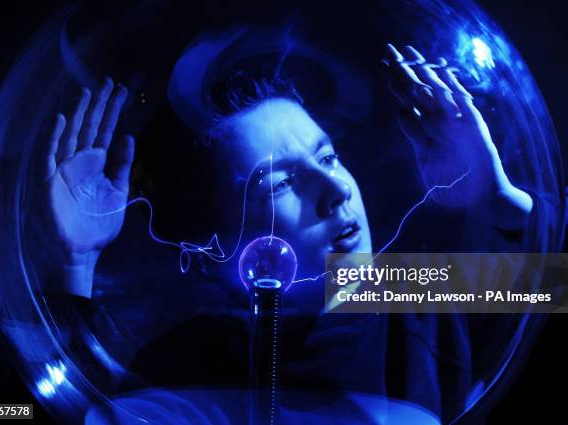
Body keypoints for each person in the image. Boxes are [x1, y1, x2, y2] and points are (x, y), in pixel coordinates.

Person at [37, 43, 536, 423]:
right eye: (281, 183)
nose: (336, 190)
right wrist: (73, 263)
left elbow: (560, 299)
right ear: (220, 245)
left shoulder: (416, 294)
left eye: (328, 157)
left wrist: (499, 200)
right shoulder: (184, 359)